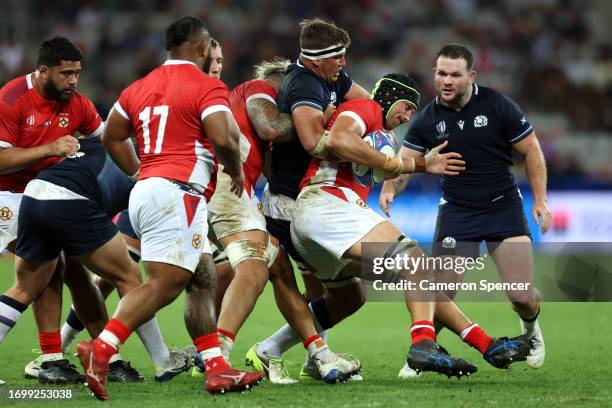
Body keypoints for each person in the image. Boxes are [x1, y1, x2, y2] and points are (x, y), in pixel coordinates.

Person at [251, 73, 534, 379]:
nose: (407, 116)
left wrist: (418, 166)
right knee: (417, 264)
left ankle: (486, 344)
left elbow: (384, 164)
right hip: (327, 204)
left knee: (371, 292)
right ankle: (423, 344)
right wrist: (418, 164)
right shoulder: (367, 108)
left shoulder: (384, 136)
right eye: (406, 107)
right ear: (389, 97)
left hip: (318, 221)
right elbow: (340, 138)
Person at [77, 16, 263, 400]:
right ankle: (102, 349)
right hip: (178, 192)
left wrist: (140, 171)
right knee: (164, 284)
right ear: (201, 47)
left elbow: (112, 135)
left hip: (149, 188)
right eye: (211, 46)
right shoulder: (206, 86)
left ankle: (216, 368)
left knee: (202, 278)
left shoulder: (139, 87)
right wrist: (233, 166)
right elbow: (223, 135)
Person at [380, 44, 547, 376]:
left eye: (455, 75)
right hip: (458, 213)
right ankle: (423, 351)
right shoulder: (427, 118)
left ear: (471, 76)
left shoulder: (498, 105)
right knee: (439, 292)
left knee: (522, 295)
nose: (447, 81)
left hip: (503, 208)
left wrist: (540, 200)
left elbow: (532, 151)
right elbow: (406, 162)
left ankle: (531, 332)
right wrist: (389, 188)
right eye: (441, 73)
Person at [0, 136, 196, 383]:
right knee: (129, 276)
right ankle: (163, 361)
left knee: (28, 288)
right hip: (72, 202)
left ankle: (90, 358)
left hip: (34, 196)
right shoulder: (152, 166)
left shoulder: (103, 141)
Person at [254, 17, 370, 383]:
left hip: (311, 199)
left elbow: (366, 105)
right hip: (292, 203)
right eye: (339, 57)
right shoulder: (304, 84)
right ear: (320, 59)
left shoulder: (330, 78)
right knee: (341, 287)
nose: (344, 63)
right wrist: (374, 156)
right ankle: (276, 353)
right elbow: (311, 140)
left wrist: (362, 128)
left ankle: (297, 355)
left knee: (346, 294)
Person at [0, 36, 111, 384]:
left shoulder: (76, 102)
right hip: (9, 196)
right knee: (43, 270)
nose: (73, 81)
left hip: (46, 198)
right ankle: (54, 355)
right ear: (43, 70)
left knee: (61, 267)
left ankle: (52, 356)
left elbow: (105, 139)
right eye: (66, 74)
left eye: (77, 73)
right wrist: (51, 147)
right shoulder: (11, 99)